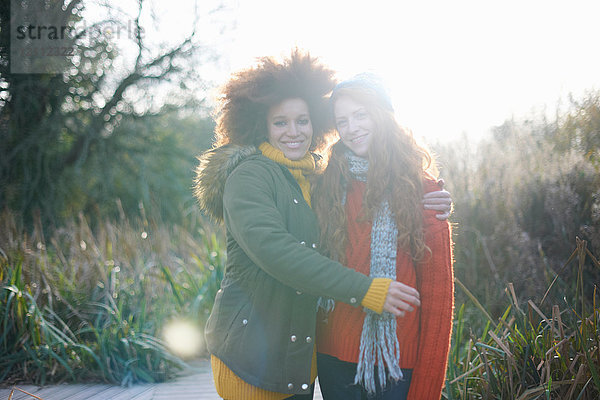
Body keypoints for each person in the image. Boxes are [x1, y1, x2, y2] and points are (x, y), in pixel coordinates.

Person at [194, 51, 452, 400]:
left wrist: (438, 199)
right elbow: (278, 252)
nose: (293, 132)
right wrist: (366, 290)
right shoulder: (259, 176)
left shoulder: (316, 178)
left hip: (302, 357)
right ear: (261, 125)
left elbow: (435, 302)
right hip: (254, 355)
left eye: (302, 120)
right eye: (280, 122)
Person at [313, 74, 454, 400]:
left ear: (383, 114)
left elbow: (438, 300)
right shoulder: (325, 183)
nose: (352, 128)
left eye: (361, 115)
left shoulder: (423, 190)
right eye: (342, 121)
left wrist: (427, 388)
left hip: (397, 358)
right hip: (334, 353)